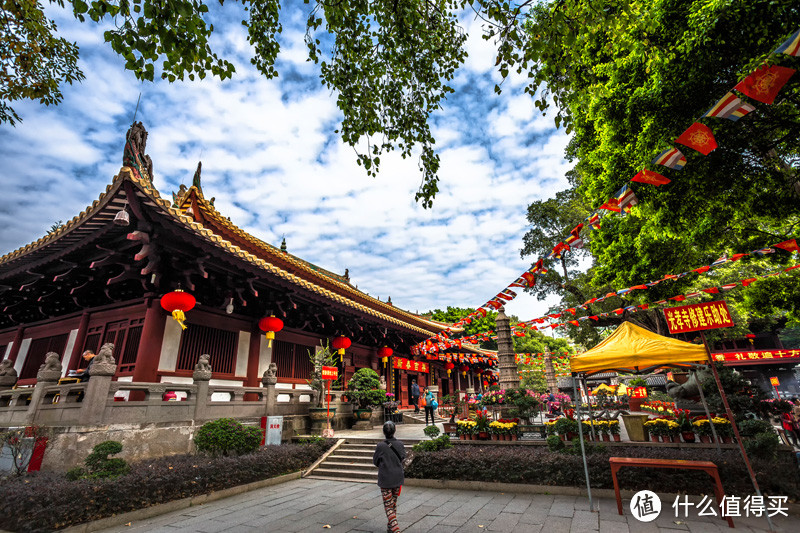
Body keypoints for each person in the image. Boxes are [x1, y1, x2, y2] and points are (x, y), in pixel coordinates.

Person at [373, 421, 405, 533]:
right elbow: (402, 458)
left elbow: (375, 462)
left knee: (388, 505)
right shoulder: (400, 444)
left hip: (386, 478)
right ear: (394, 430)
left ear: (383, 432)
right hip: (397, 477)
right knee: (393, 503)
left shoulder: (380, 446)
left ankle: (395, 529)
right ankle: (390, 528)